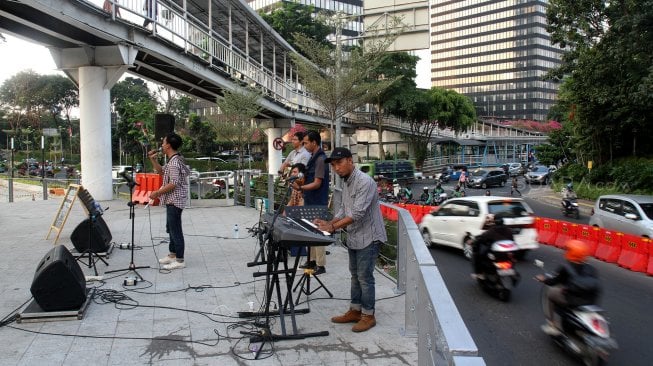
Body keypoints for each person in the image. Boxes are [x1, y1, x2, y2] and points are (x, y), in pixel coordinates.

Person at [314, 147, 387, 332]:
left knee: (365, 277)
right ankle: (355, 311)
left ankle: (368, 315)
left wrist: (332, 227)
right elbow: (343, 210)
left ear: (350, 161)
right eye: (333, 165)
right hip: (355, 236)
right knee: (355, 276)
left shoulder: (365, 182)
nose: (336, 168)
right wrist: (329, 222)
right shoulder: (346, 182)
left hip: (369, 236)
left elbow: (357, 213)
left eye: (339, 163)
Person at [536, 240, 601, 335]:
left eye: (568, 250)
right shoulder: (592, 269)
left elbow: (553, 281)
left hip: (572, 301)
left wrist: (543, 279)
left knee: (550, 292)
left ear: (571, 253)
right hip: (590, 302)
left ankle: (551, 323)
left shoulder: (566, 267)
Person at [149, 132, 191, 270]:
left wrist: (157, 193)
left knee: (175, 230)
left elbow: (173, 183)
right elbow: (162, 172)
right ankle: (173, 254)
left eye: (163, 142)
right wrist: (154, 160)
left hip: (175, 200)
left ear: (168, 145)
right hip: (172, 200)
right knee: (171, 228)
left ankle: (179, 260)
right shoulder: (174, 160)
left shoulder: (174, 163)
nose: (161, 144)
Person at [292, 131, 329, 275]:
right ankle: (312, 260)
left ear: (314, 142)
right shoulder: (314, 157)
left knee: (318, 232)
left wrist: (300, 187)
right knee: (310, 230)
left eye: (306, 142)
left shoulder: (320, 160)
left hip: (317, 200)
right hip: (310, 199)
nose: (304, 144)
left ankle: (321, 265)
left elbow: (317, 183)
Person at [471, 214, 514, 279]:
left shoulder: (492, 230)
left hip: (496, 253)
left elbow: (483, 237)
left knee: (479, 256)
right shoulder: (508, 230)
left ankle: (479, 273)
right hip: (507, 253)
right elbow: (512, 240)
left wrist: (475, 240)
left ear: (495, 221)